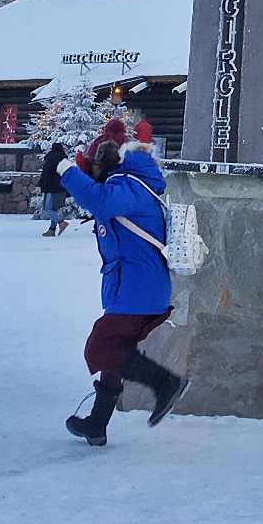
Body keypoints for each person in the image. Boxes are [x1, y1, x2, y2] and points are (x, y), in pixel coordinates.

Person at [57, 119, 187, 445]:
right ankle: (97, 425)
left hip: (139, 288)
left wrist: (65, 170)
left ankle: (165, 383)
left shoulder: (127, 186)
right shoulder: (124, 185)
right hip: (135, 287)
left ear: (104, 165)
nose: (90, 177)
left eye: (92, 170)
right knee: (116, 352)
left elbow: (98, 199)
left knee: (100, 348)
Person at [37, 141, 70, 236]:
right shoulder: (64, 160)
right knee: (54, 209)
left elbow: (45, 173)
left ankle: (61, 223)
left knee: (47, 209)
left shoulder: (50, 158)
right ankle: (52, 229)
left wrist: (40, 184)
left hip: (51, 187)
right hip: (61, 188)